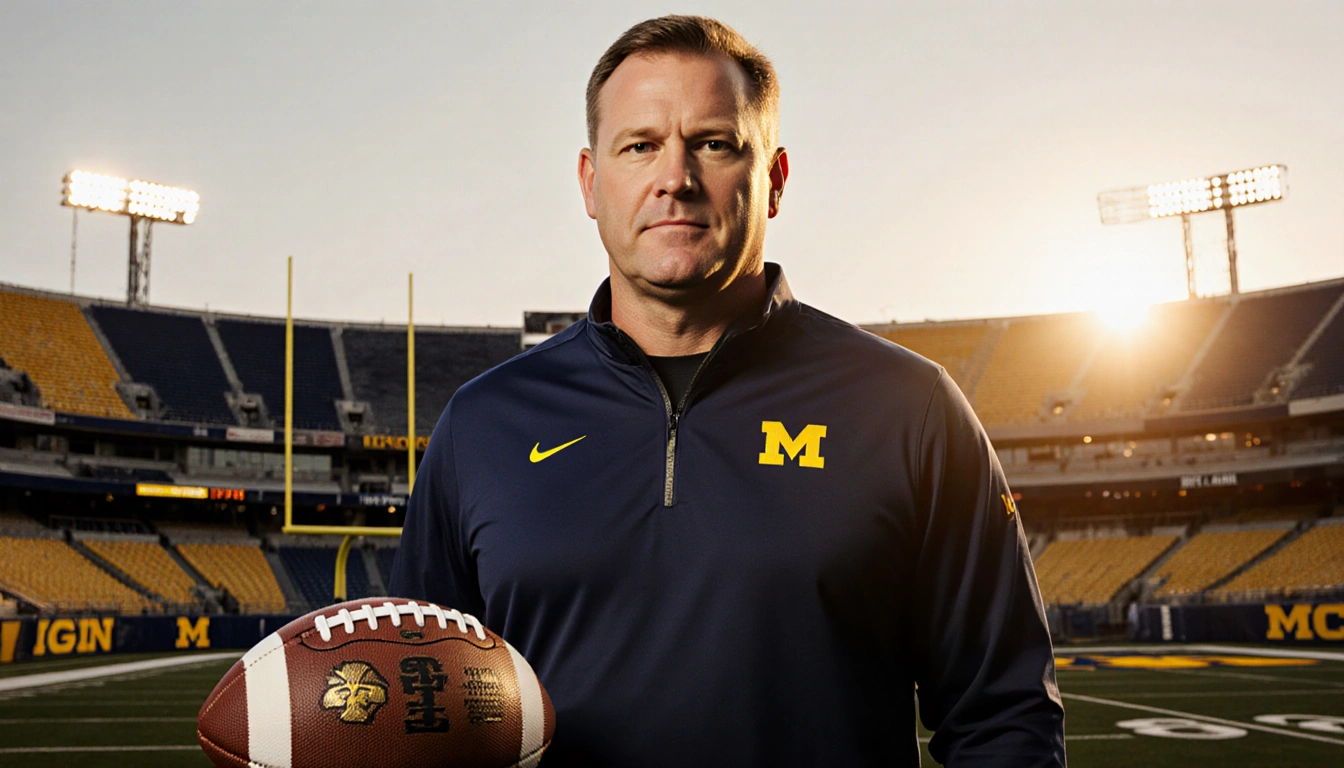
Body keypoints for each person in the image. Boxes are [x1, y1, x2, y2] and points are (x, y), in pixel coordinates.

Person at [391, 15, 1066, 767]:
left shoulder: (909, 408)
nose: (673, 178)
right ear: (591, 182)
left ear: (773, 179)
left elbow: (1005, 716)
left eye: (712, 143)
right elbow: (419, 710)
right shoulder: (481, 426)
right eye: (640, 145)